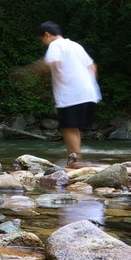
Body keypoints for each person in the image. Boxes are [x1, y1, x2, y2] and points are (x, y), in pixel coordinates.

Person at [37, 21, 101, 165]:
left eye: (42, 40)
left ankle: (75, 160)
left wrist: (34, 69)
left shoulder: (55, 45)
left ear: (47, 35)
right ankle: (76, 158)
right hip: (89, 93)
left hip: (72, 93)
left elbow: (55, 63)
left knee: (67, 128)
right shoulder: (76, 45)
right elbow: (92, 67)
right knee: (72, 127)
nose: (43, 43)